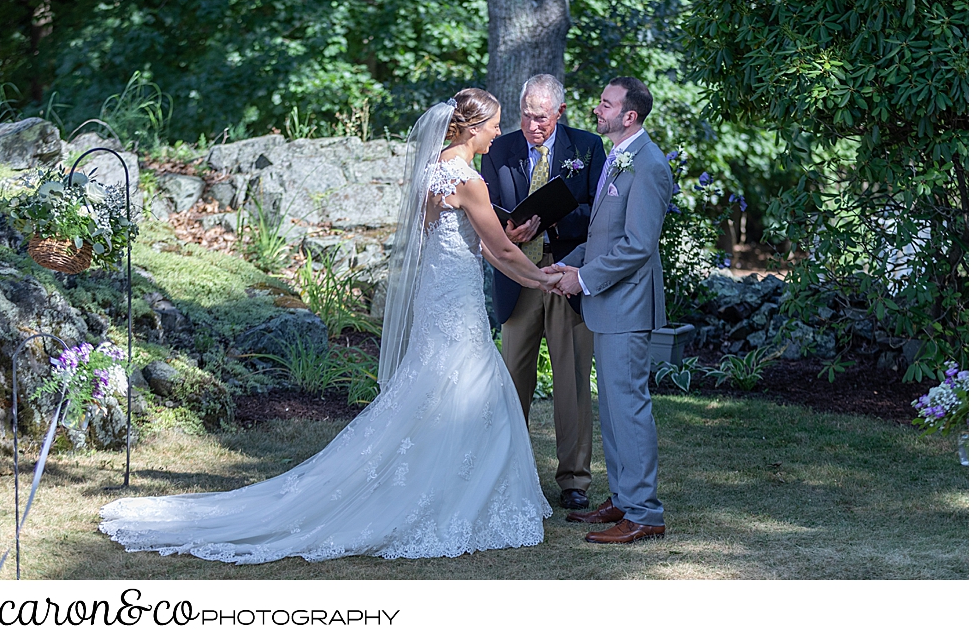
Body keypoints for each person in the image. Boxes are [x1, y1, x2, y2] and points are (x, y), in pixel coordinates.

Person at [99, 89, 562, 564]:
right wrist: (545, 278)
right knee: (461, 386)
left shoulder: (433, 171)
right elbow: (501, 250)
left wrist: (532, 275)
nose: (498, 133)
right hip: (456, 301)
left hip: (438, 295)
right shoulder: (469, 181)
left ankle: (444, 485)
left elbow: (478, 245)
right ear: (469, 127)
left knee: (438, 390)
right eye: (493, 124)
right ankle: (449, 495)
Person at [548, 77, 673, 543]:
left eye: (606, 103)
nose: (597, 109)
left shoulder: (648, 165)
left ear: (630, 116)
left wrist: (582, 280)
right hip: (609, 305)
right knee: (615, 410)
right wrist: (570, 263)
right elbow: (604, 235)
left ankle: (644, 514)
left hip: (627, 306)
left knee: (629, 409)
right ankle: (622, 500)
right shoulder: (620, 158)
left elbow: (638, 246)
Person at [480, 74, 605, 511]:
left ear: (561, 113)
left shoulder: (588, 147)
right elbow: (485, 208)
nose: (533, 125)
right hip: (517, 275)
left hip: (567, 274)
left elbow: (600, 210)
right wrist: (510, 230)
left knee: (572, 379)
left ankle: (574, 479)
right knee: (513, 376)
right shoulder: (498, 148)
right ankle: (507, 472)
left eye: (542, 118)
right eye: (527, 115)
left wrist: (553, 222)